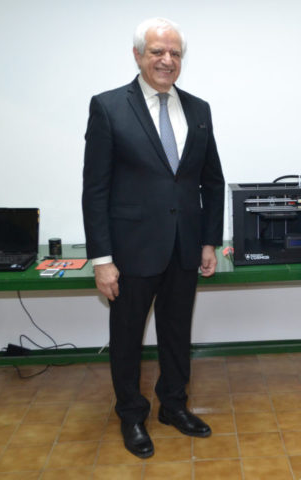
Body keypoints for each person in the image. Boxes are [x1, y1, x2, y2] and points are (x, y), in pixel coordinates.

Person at [82, 17, 225, 458]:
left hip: (185, 247)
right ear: (138, 55)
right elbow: (96, 188)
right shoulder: (108, 107)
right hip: (130, 251)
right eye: (158, 51)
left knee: (176, 333)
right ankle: (131, 414)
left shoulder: (198, 109)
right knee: (126, 338)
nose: (167, 60)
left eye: (175, 53)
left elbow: (212, 182)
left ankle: (174, 406)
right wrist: (101, 258)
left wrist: (208, 242)